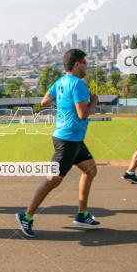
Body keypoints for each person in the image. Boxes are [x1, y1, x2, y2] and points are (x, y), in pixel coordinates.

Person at [15, 49, 99, 238]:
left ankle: (82, 214)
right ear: (77, 64)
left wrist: (63, 106)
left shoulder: (60, 81)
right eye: (85, 62)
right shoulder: (78, 84)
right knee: (53, 180)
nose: (87, 65)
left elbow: (44, 102)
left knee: (91, 170)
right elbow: (83, 114)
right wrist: (94, 101)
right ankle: (26, 216)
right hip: (68, 140)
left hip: (72, 138)